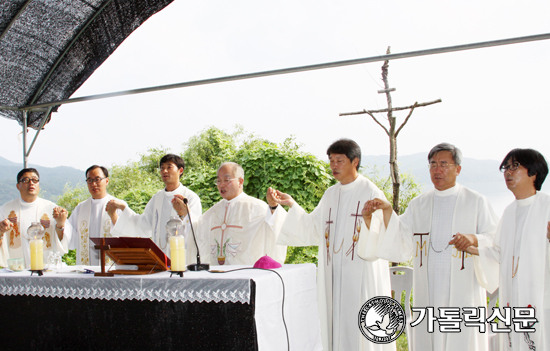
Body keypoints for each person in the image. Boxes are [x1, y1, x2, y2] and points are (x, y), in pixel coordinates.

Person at [362, 142, 499, 351]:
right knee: (429, 336)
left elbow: (495, 238)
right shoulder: (419, 204)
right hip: (428, 288)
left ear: (458, 169)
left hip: (464, 289)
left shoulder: (476, 201)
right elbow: (402, 239)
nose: (437, 170)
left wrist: (473, 239)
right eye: (433, 164)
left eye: (444, 164)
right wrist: (388, 212)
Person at [273, 138, 393, 351]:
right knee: (335, 323)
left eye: (340, 160)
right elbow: (314, 227)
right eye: (331, 160)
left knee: (359, 325)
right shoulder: (331, 193)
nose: (334, 166)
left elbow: (382, 235)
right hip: (333, 273)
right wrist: (291, 204)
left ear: (355, 161)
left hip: (361, 273)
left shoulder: (370, 191)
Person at [475, 148, 550, 351]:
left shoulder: (547, 206)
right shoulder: (509, 212)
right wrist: (473, 247)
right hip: (513, 297)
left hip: (541, 297)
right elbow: (500, 253)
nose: (508, 172)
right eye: (505, 168)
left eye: (514, 166)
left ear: (534, 172)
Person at [182, 162, 287, 265]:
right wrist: (186, 214)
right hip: (217, 274)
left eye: (226, 180)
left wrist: (273, 207)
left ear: (240, 181)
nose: (221, 184)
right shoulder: (213, 211)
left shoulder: (257, 207)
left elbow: (276, 227)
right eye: (218, 181)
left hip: (246, 273)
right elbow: (197, 232)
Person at [107, 154, 202, 262]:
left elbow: (196, 230)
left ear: (180, 170)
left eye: (169, 167)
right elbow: (143, 225)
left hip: (182, 259)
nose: (164, 171)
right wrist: (124, 209)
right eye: (162, 168)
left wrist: (184, 214)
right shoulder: (157, 198)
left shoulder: (190, 197)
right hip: (159, 259)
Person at [55, 165, 130, 266]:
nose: (93, 184)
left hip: (111, 269)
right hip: (85, 268)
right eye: (89, 180)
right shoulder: (80, 208)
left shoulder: (118, 205)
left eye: (97, 179)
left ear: (107, 181)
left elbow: (127, 236)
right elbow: (71, 237)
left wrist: (113, 215)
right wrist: (61, 222)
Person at [0, 168, 71, 268]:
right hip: (16, 269)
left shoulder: (51, 208)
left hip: (45, 269)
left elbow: (62, 242)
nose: (31, 183)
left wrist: (60, 224)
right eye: (26, 180)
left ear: (39, 184)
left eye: (35, 180)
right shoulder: (6, 209)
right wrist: (1, 231)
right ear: (18, 186)